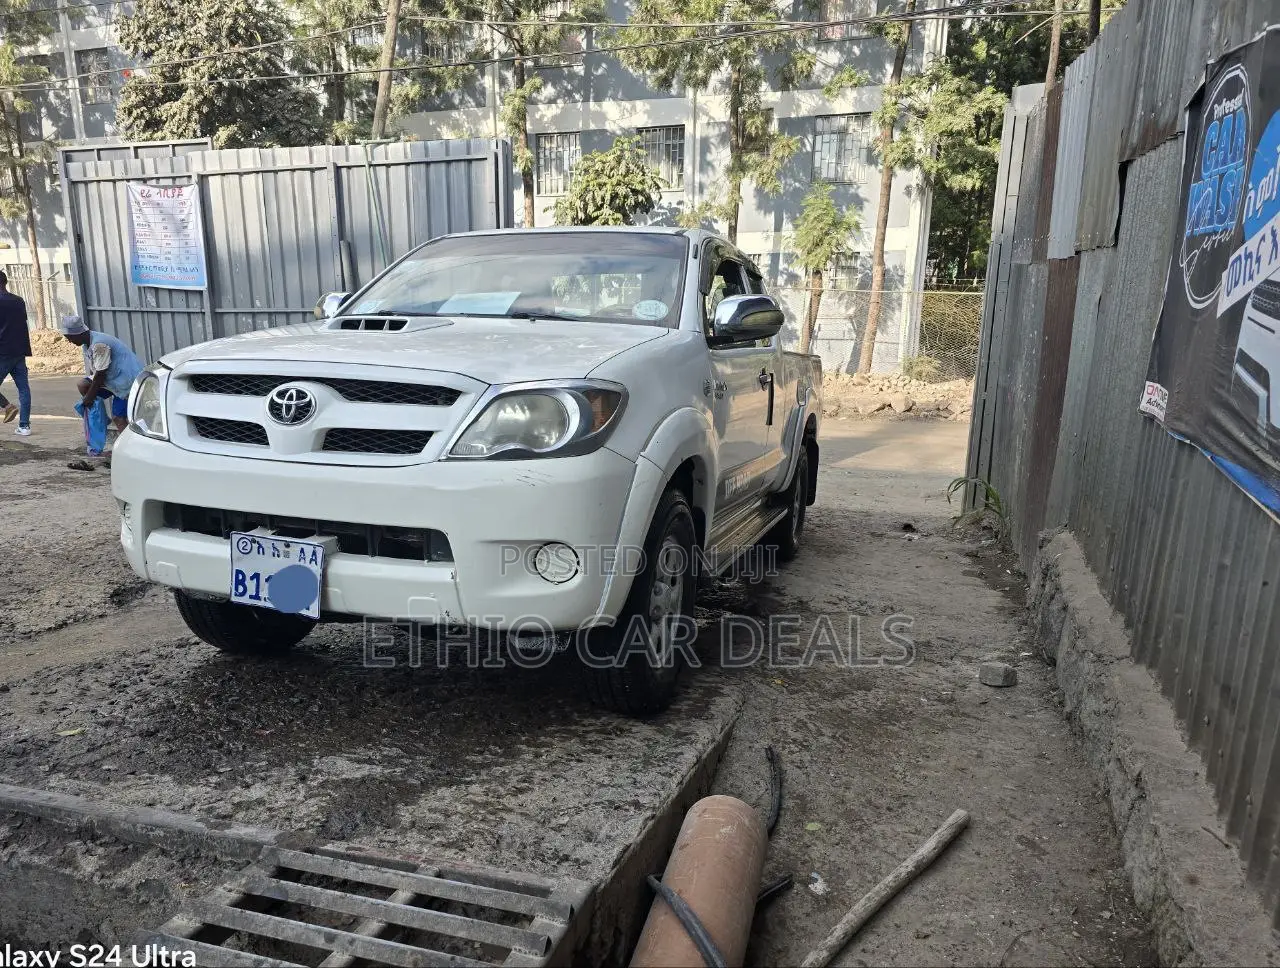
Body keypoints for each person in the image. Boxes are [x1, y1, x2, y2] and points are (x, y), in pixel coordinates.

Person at [59, 315, 144, 434]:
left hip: (128, 381)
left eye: (70, 338)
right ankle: (102, 419)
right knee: (83, 385)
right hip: (114, 378)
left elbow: (100, 375)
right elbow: (98, 373)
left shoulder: (99, 345)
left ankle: (128, 447)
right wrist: (89, 396)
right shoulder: (89, 340)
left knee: (119, 418)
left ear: (78, 334)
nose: (70, 341)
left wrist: (89, 398)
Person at [0, 270, 32, 436]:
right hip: (19, 351)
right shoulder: (19, 301)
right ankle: (24, 426)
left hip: (2, 352)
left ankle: (7, 406)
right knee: (23, 389)